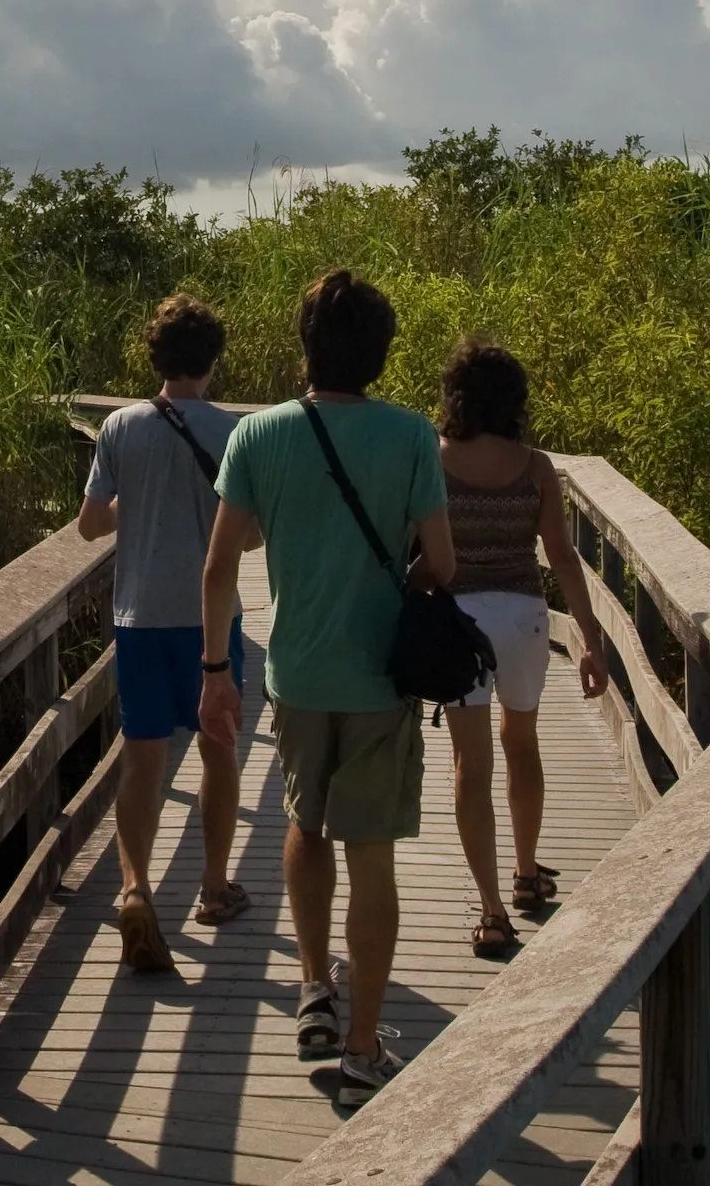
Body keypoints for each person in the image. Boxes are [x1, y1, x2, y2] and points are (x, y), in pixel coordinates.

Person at [199, 268, 454, 1111]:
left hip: (297, 674)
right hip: (381, 675)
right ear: (380, 353)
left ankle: (313, 986)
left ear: (304, 344)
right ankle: (361, 1045)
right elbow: (444, 566)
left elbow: (220, 566)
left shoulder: (257, 437)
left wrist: (213, 673)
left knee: (304, 825)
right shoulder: (414, 436)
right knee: (369, 853)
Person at [79, 293, 249, 974]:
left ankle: (134, 888)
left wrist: (137, 507)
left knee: (142, 761)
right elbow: (254, 532)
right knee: (219, 749)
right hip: (211, 619)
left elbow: (91, 525)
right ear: (212, 360)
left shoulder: (120, 428)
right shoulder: (235, 431)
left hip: (139, 618)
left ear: (157, 357)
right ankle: (212, 888)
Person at [435, 338, 611, 958]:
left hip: (458, 620)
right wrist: (590, 640)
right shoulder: (535, 467)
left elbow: (420, 552)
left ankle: (489, 912)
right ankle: (528, 873)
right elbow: (562, 558)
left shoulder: (433, 460)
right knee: (522, 743)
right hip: (524, 619)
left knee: (470, 765)